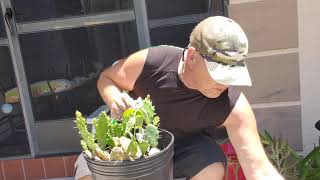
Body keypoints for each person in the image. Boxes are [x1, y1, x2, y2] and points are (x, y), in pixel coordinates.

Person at [76, 16, 283, 180]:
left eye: (231, 76)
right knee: (89, 173)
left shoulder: (233, 106)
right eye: (218, 73)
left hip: (181, 148)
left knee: (211, 167)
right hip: (129, 139)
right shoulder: (154, 62)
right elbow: (107, 77)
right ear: (192, 56)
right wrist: (114, 98)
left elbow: (260, 170)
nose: (224, 83)